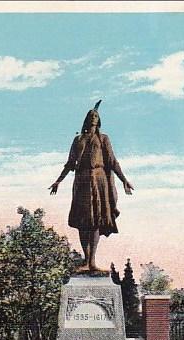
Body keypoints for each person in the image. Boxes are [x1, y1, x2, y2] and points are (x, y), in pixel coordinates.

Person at [49, 102, 134, 272]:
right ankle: (86, 260)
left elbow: (112, 161)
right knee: (83, 221)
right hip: (82, 180)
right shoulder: (78, 139)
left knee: (96, 220)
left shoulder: (103, 139)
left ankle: (92, 261)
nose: (93, 118)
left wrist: (124, 179)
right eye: (91, 116)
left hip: (99, 180)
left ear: (99, 120)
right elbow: (70, 163)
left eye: (96, 116)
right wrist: (58, 180)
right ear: (86, 119)